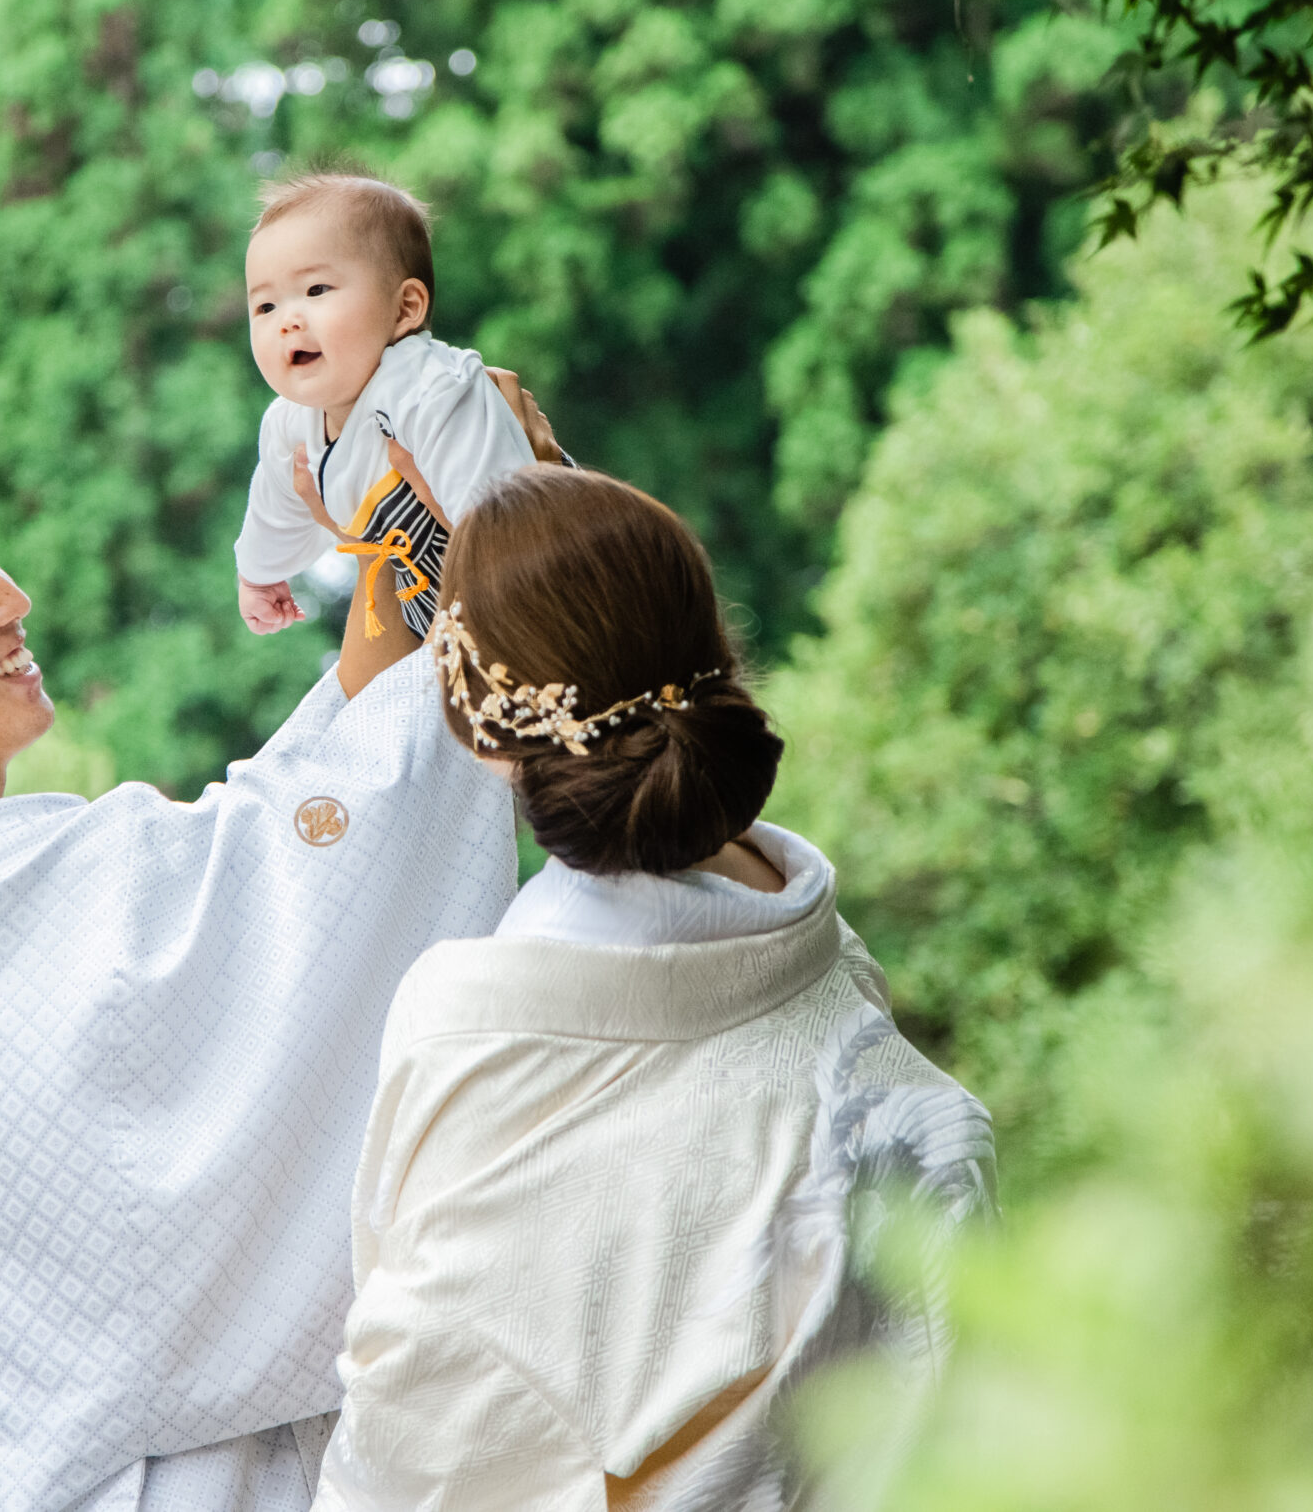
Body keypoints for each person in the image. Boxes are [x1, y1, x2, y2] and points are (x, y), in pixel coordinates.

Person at [0, 394, 554, 1512]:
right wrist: (463, 549)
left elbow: (283, 833)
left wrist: (415, 561)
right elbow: (288, 882)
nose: (10, 601)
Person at [313, 466, 996, 1511]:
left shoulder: (476, 1032)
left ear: (474, 730)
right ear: (715, 651)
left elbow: (418, 1444)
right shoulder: (848, 999)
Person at [234, 170, 534, 642]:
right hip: (444, 628)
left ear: (404, 308)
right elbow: (274, 514)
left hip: (540, 597)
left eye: (316, 290)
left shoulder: (426, 387)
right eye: (265, 307)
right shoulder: (289, 425)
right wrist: (257, 575)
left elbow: (506, 520)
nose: (287, 322)